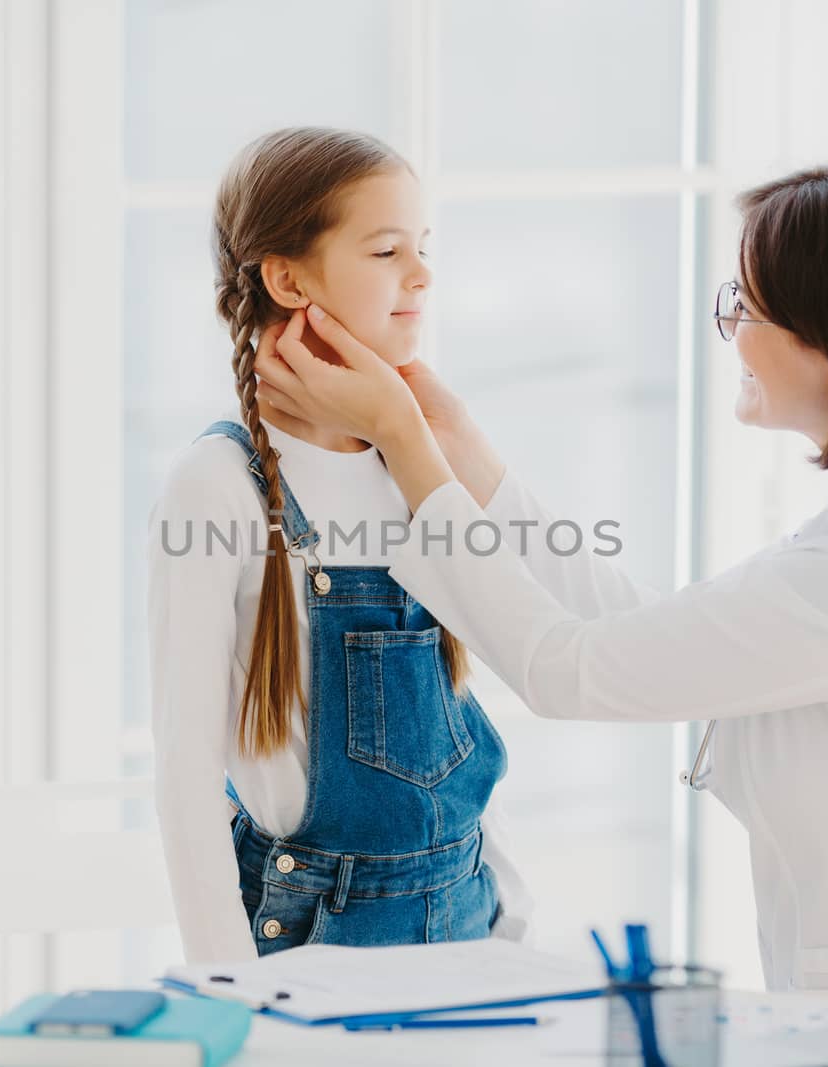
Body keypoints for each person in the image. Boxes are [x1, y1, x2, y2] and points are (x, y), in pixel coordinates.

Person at [254, 161, 828, 991]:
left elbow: (566, 669)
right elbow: (641, 631)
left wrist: (405, 442)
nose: (730, 329)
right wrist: (463, 455)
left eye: (745, 306)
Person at [147, 127, 532, 964]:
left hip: (469, 924)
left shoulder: (418, 464)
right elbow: (185, 771)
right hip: (312, 945)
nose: (423, 274)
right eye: (388, 249)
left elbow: (457, 704)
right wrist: (228, 988)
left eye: (423, 248)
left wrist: (513, 907)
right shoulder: (219, 486)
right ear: (288, 279)